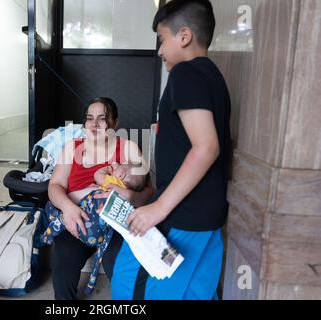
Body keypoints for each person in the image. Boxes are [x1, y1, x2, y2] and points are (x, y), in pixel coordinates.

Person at [106, 0, 232, 300]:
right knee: (195, 293)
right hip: (208, 216)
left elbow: (206, 148)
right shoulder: (214, 77)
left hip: (181, 215)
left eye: (162, 39)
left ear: (184, 36)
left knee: (129, 284)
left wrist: (157, 209)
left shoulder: (185, 74)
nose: (160, 50)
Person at [47, 97, 153, 300]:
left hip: (116, 224)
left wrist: (130, 195)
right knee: (64, 257)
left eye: (102, 119)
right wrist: (68, 208)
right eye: (89, 118)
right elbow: (54, 186)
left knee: (118, 262)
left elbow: (148, 190)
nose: (94, 124)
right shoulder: (73, 147)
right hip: (77, 217)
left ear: (115, 124)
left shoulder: (127, 147)